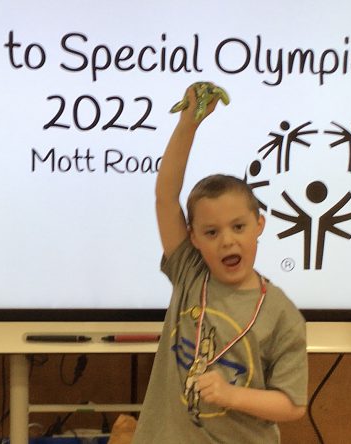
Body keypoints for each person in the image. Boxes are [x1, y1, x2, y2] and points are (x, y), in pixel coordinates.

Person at [132, 84, 308, 443]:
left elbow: (292, 405)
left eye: (239, 227)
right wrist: (188, 124)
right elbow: (165, 196)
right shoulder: (190, 273)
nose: (227, 240)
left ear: (259, 225)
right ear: (193, 238)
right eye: (211, 232)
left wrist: (231, 395)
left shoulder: (281, 314)